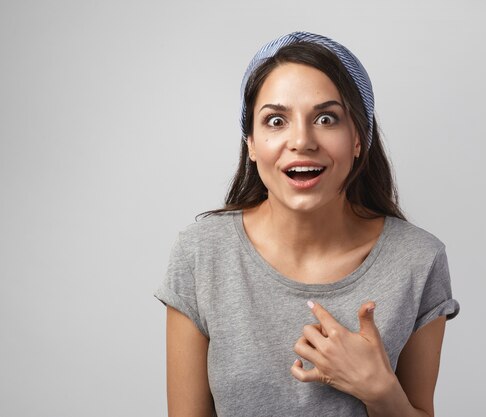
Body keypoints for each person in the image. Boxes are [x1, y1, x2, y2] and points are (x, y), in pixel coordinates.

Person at [154, 31, 460, 417]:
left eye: (326, 118)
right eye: (276, 120)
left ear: (358, 139)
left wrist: (380, 391)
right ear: (250, 141)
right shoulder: (201, 254)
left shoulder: (418, 260)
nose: (302, 140)